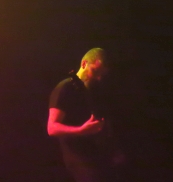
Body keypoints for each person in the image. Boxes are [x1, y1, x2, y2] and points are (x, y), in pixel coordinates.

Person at [47, 48, 124, 182]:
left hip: (96, 155)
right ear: (84, 64)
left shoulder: (89, 91)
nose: (98, 78)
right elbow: (52, 128)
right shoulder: (65, 88)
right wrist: (81, 130)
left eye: (101, 74)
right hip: (79, 158)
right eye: (95, 71)